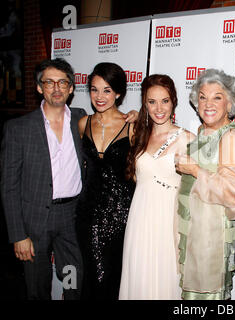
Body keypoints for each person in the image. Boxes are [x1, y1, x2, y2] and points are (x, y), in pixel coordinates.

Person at [0, 58, 85, 299]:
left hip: (71, 217)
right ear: (39, 87)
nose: (56, 88)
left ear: (71, 88)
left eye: (62, 82)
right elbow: (9, 186)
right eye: (49, 82)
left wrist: (131, 115)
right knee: (37, 287)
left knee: (72, 278)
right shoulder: (19, 128)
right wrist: (18, 235)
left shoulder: (81, 120)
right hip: (35, 221)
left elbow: (112, 121)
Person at [119, 74, 195, 300]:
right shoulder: (138, 135)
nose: (159, 108)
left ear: (174, 102)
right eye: (152, 102)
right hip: (138, 220)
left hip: (168, 222)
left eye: (165, 101)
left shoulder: (187, 139)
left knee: (165, 281)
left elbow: (197, 190)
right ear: (145, 103)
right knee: (139, 278)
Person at [175, 68, 235, 300]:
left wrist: (195, 170)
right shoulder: (202, 132)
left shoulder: (231, 137)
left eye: (217, 97)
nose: (208, 103)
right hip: (193, 229)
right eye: (203, 97)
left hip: (212, 236)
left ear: (230, 103)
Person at [75, 62, 136, 300]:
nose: (99, 96)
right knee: (93, 276)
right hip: (88, 213)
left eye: (107, 90)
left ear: (118, 93)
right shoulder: (83, 124)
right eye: (94, 89)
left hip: (122, 214)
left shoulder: (131, 125)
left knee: (113, 277)